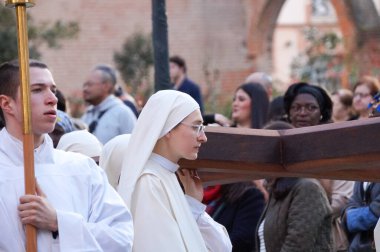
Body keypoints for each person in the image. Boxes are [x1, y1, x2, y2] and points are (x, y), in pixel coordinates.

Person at [0, 59, 133, 251]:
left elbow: (121, 238)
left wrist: (59, 222)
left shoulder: (82, 168)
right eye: (37, 90)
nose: (52, 99)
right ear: (7, 103)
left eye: (53, 90)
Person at [117, 90, 232, 251]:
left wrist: (192, 205)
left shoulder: (166, 175)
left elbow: (222, 247)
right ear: (168, 128)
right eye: (196, 127)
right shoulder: (149, 181)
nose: (203, 137)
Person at [283, 82, 353, 251]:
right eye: (296, 107)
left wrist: (302, 217)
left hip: (325, 237)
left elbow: (342, 198)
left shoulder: (336, 148)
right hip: (282, 233)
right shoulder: (280, 147)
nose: (302, 113)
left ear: (322, 113)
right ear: (289, 113)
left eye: (310, 108)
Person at [81, 64, 136, 144]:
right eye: (84, 85)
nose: (85, 89)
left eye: (90, 85)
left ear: (106, 86)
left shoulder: (123, 113)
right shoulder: (87, 114)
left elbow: (134, 145)